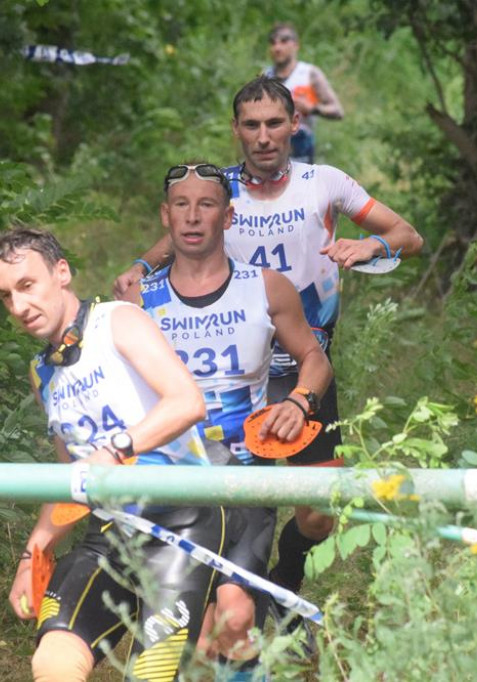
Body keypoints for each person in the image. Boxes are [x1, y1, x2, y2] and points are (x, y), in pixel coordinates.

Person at [113, 76, 423, 618]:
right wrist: (138, 270)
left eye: (274, 123)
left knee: (319, 517)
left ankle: (287, 573)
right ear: (236, 130)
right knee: (236, 500)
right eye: (251, 125)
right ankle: (237, 598)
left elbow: (407, 236)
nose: (263, 136)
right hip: (240, 369)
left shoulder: (325, 182)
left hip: (307, 368)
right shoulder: (219, 191)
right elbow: (175, 239)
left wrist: (367, 243)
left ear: (294, 125)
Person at [0, 225, 225, 682]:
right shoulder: (42, 371)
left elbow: (186, 401)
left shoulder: (118, 320)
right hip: (110, 532)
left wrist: (116, 450)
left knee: (151, 675)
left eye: (26, 286)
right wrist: (32, 553)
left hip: (182, 524)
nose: (18, 306)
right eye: (5, 296)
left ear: (62, 273)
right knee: (53, 662)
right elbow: (71, 476)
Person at [139, 162, 333, 678]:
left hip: (243, 477)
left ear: (228, 217)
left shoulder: (267, 288)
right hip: (170, 478)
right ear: (166, 216)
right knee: (191, 632)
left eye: (206, 205)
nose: (193, 216)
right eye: (182, 205)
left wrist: (297, 402)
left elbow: (315, 360)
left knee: (236, 616)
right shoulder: (138, 301)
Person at [265, 22, 343, 164]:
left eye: (283, 41)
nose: (277, 47)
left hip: (301, 148)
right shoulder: (265, 76)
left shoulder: (309, 74)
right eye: (273, 43)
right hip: (270, 147)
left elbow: (337, 111)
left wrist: (312, 108)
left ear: (295, 45)